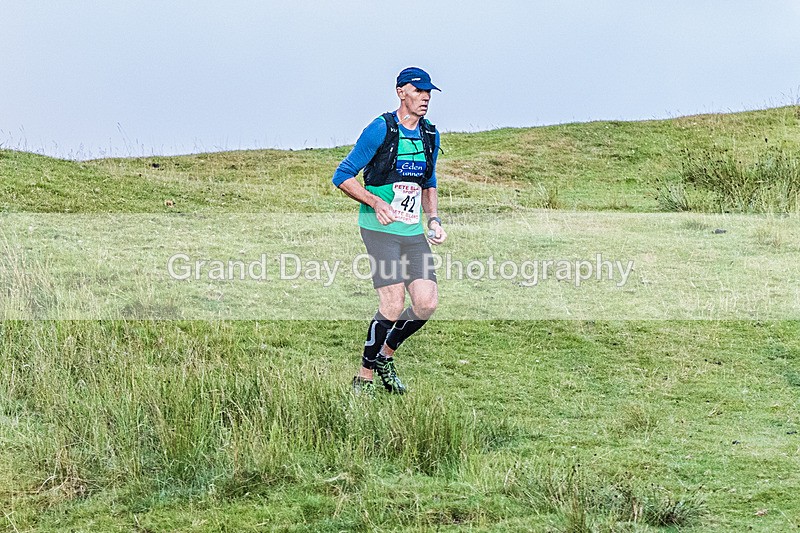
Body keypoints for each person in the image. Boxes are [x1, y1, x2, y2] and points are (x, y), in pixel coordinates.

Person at [332, 67, 447, 395]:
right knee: (393, 303)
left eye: (428, 92)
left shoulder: (430, 135)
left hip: (411, 233)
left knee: (426, 303)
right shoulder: (380, 129)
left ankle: (385, 355)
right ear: (401, 92)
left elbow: (429, 181)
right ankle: (364, 375)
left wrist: (434, 219)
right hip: (378, 230)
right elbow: (342, 175)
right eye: (418, 90)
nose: (425, 97)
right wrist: (375, 202)